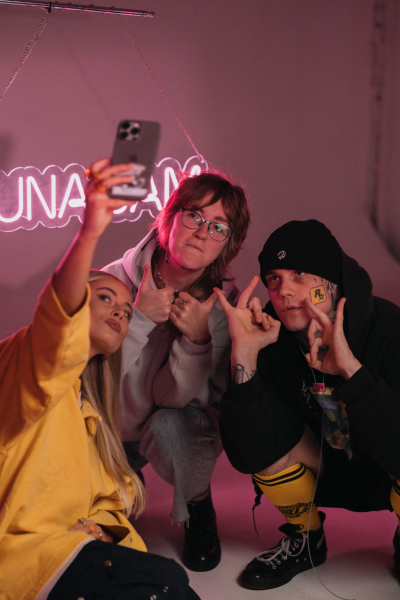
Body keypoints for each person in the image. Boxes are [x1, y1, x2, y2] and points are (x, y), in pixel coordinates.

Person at [0, 158, 200, 600]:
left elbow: (112, 498)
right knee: (167, 583)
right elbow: (56, 324)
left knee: (173, 585)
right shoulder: (26, 367)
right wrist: (90, 230)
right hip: (23, 562)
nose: (119, 312)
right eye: (105, 297)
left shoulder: (88, 416)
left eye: (127, 312)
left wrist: (100, 528)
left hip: (69, 553)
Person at [215, 219, 400, 590]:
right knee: (261, 430)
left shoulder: (390, 328)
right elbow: (248, 452)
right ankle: (306, 538)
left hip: (386, 466)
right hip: (322, 466)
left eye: (299, 273)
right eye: (274, 278)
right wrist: (244, 355)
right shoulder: (268, 336)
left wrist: (351, 372)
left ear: (333, 280)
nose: (283, 290)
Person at [103, 171, 250, 571]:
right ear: (168, 218)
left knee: (173, 426)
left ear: (227, 245)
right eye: (194, 216)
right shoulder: (112, 282)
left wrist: (197, 341)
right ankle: (123, 477)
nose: (202, 232)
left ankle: (197, 502)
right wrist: (136, 319)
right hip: (110, 426)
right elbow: (88, 380)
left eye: (218, 227)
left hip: (174, 426)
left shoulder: (224, 307)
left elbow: (177, 401)